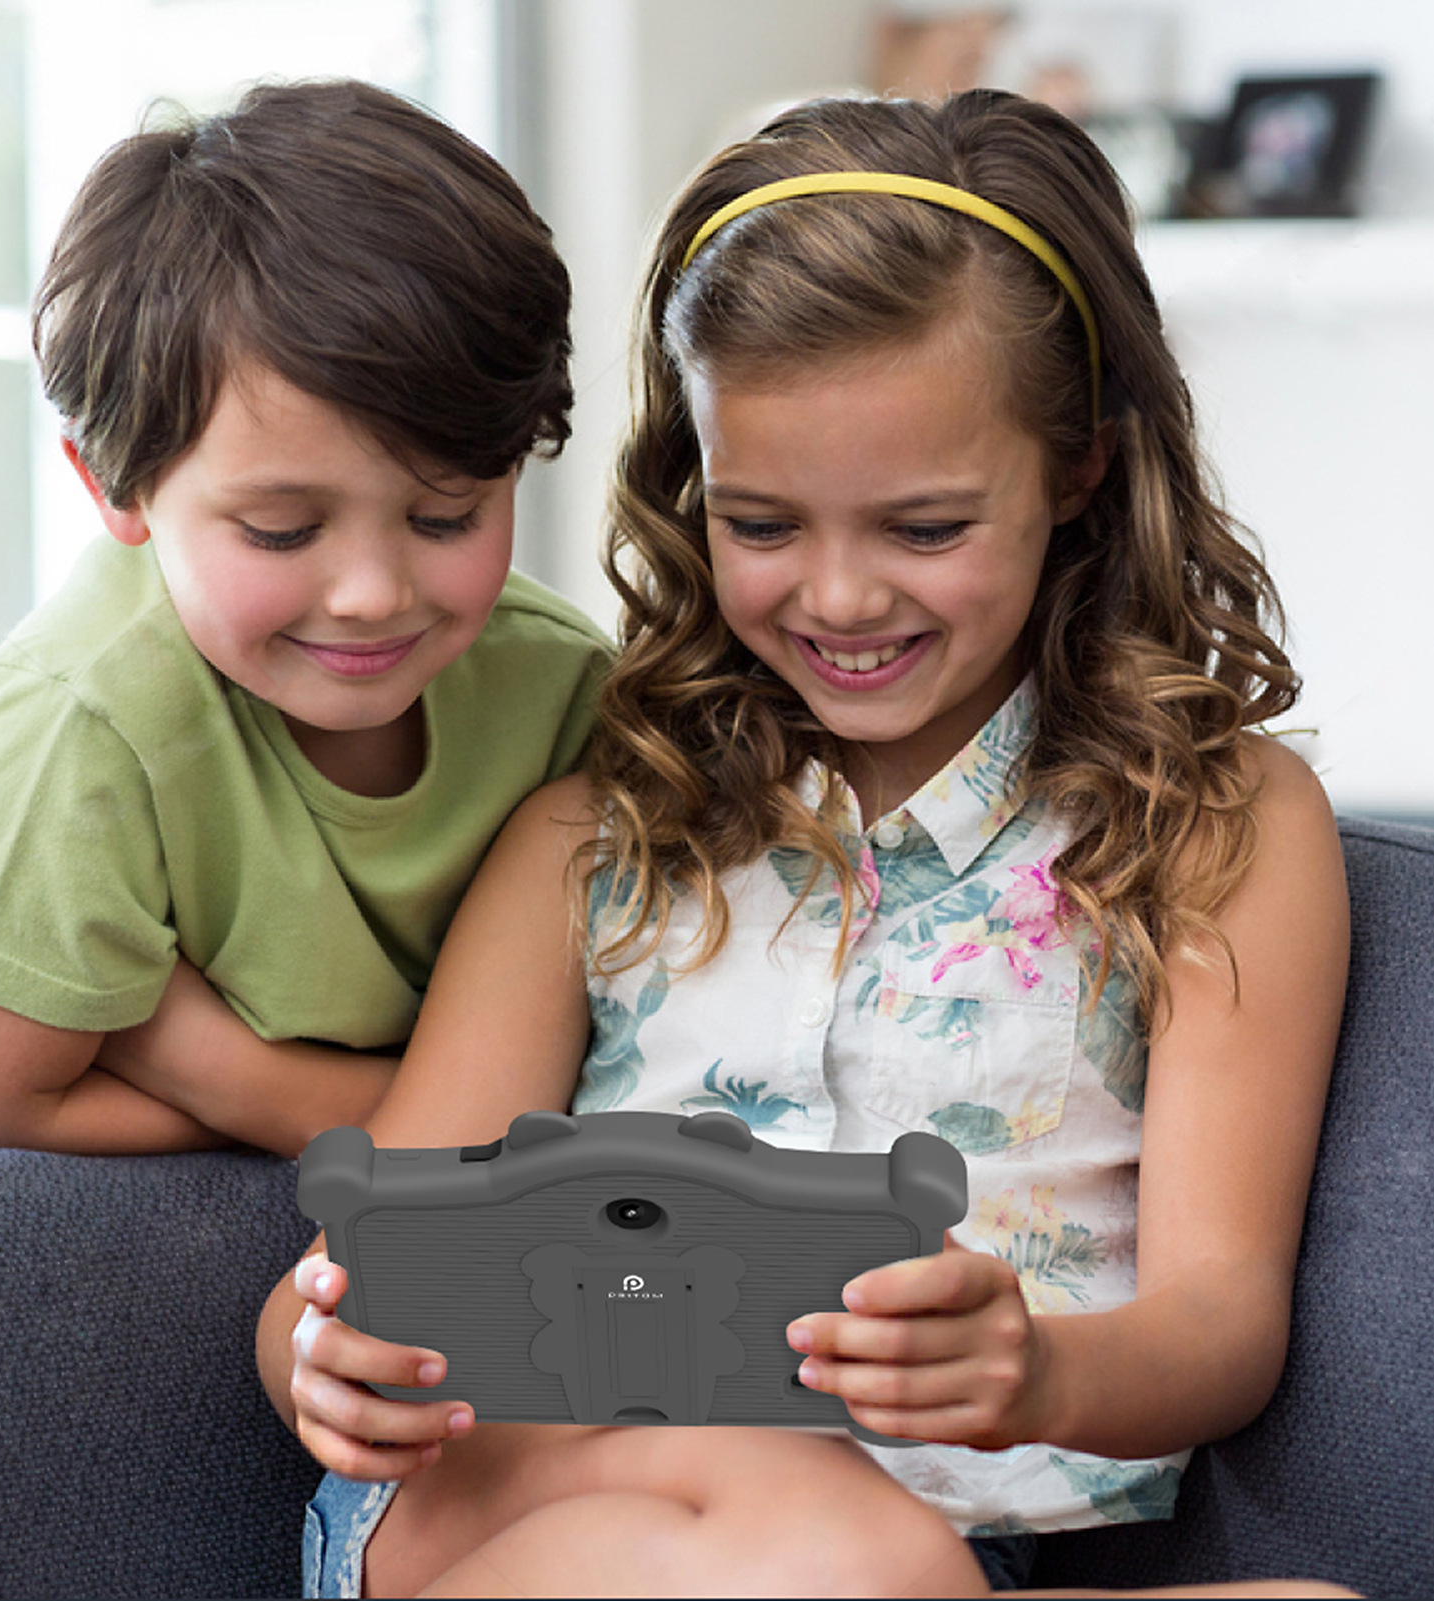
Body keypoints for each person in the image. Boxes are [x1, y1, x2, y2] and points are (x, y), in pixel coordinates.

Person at [258, 90, 1353, 1598]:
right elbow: (354, 1257)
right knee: (833, 1534)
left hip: (956, 1545)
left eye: (923, 528)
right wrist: (320, 1353)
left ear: (1080, 469)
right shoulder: (592, 834)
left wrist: (1039, 1371)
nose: (837, 599)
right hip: (523, 1502)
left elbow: (1220, 1320)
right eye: (762, 525)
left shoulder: (1218, 824)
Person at [0, 80, 608, 1158]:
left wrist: (201, 1056)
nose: (372, 592)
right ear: (114, 487)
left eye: (446, 515)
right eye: (282, 530)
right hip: (168, 1233)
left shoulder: (565, 694)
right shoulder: (76, 727)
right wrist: (411, 1120)